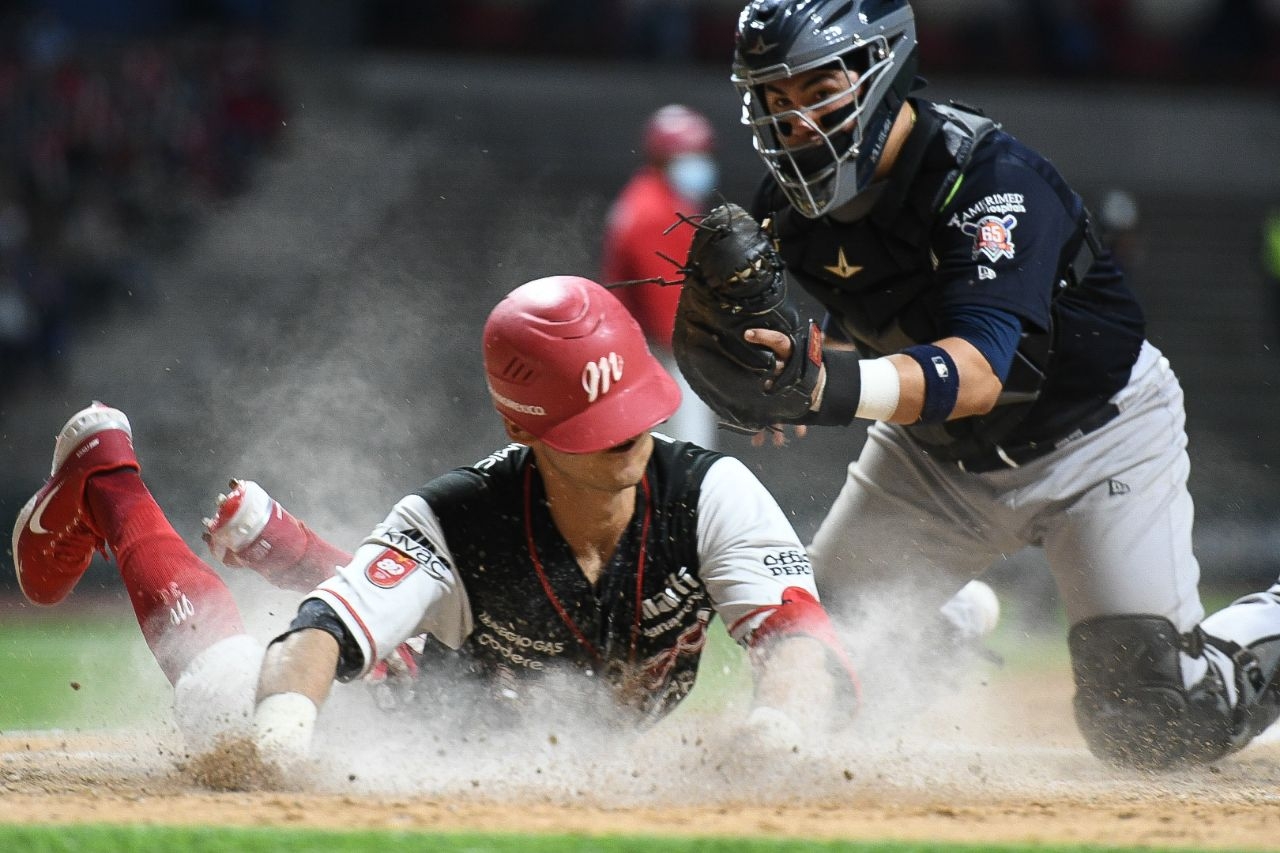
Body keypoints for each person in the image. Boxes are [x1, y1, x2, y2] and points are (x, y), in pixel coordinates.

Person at [694, 0, 1280, 769]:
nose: (796, 119)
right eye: (777, 99)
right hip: (932, 457)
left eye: (819, 88)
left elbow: (977, 369)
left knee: (1155, 720)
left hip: (1096, 441)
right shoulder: (790, 213)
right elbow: (875, 327)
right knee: (809, 663)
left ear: (882, 71)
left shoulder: (989, 182)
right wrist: (775, 368)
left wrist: (825, 388)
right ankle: (937, 629)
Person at [11, 275, 858, 766]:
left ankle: (289, 543)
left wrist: (779, 727)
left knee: (418, 601)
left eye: (637, 409)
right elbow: (318, 638)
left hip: (525, 727)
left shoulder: (714, 493)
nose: (629, 439)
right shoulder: (456, 513)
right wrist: (279, 735)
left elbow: (799, 641)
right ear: (524, 430)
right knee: (222, 703)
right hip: (404, 719)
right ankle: (109, 479)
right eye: (597, 428)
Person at [602, 104, 721, 448]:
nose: (697, 162)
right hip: (661, 361)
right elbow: (671, 323)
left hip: (643, 355)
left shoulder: (652, 196)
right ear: (660, 159)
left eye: (701, 153)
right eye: (686, 155)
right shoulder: (656, 214)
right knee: (686, 459)